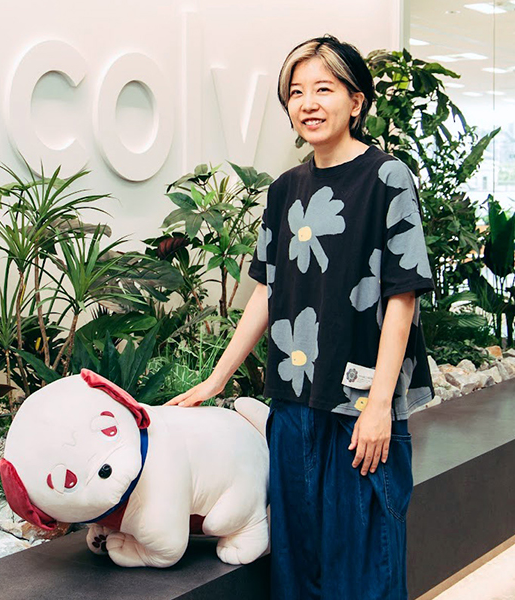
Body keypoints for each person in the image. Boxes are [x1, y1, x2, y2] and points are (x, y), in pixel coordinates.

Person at [165, 35, 435, 600]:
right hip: (292, 405)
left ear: (356, 101)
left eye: (324, 89)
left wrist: (380, 405)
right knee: (298, 570)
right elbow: (267, 291)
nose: (308, 103)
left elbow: (402, 297)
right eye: (295, 92)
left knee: (366, 572)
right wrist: (216, 379)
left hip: (359, 407)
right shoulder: (285, 189)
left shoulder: (388, 178)